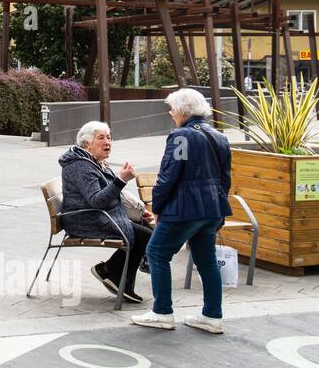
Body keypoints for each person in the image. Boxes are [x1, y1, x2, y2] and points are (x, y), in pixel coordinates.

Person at [133, 88, 233, 333]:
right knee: (206, 260)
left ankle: (162, 312)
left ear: (181, 111)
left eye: (172, 109)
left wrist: (157, 207)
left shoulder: (181, 137)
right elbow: (225, 178)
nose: (170, 114)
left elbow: (167, 176)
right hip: (212, 209)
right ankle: (212, 316)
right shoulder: (219, 137)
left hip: (183, 209)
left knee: (156, 253)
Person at [58, 121, 154, 305]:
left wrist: (138, 214)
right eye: (101, 137)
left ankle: (115, 275)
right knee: (146, 236)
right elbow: (97, 200)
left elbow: (107, 198)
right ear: (87, 144)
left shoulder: (94, 161)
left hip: (97, 214)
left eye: (109, 137)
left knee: (146, 228)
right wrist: (121, 179)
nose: (107, 141)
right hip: (83, 219)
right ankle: (111, 271)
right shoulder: (81, 166)